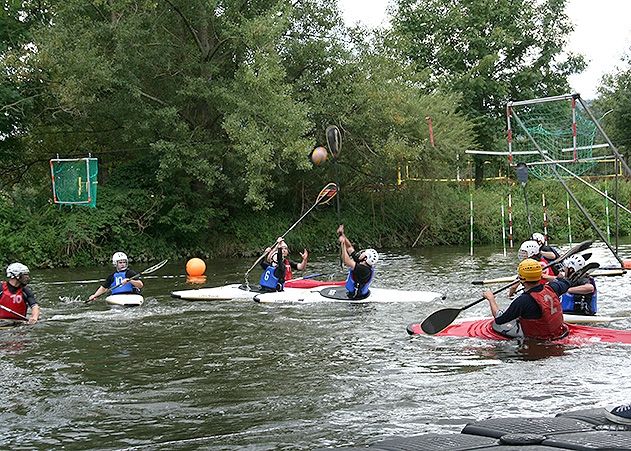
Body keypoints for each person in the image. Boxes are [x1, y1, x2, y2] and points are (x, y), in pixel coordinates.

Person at [483, 258, 571, 340]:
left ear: (521, 278)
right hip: (560, 332)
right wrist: (544, 276)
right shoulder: (553, 287)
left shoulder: (523, 301)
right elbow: (565, 282)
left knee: (495, 325)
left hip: (540, 338)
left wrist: (491, 299)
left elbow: (499, 319)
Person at [337, 224, 378, 300]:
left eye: (364, 253)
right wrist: (342, 235)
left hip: (355, 296)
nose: (362, 253)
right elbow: (349, 248)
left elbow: (346, 261)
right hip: (358, 293)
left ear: (365, 258)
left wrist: (342, 244)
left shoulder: (364, 270)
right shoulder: (361, 260)